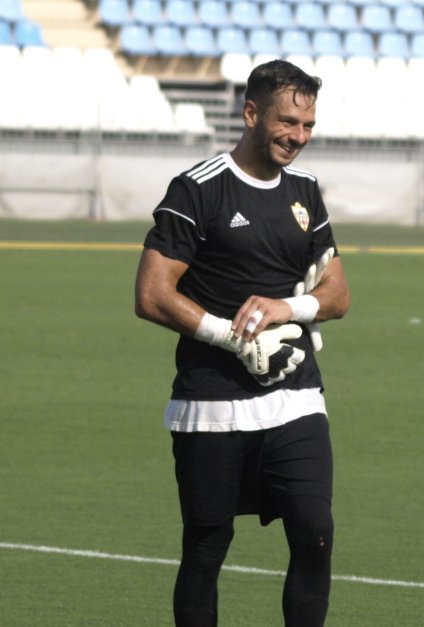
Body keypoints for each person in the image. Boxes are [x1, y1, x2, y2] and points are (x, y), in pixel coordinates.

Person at [134, 59, 350, 627]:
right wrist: (231, 337)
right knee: (205, 550)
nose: (298, 138)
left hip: (295, 398)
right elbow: (153, 294)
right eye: (287, 123)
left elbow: (338, 291)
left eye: (307, 126)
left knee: (315, 531)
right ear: (251, 113)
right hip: (210, 405)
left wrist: (289, 308)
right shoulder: (196, 189)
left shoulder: (306, 192)